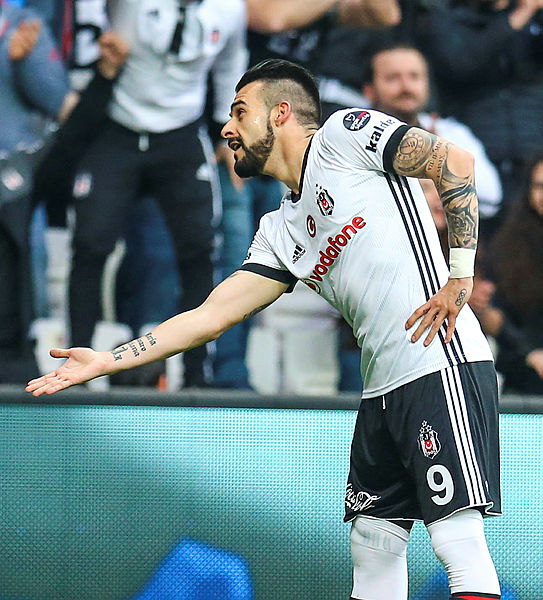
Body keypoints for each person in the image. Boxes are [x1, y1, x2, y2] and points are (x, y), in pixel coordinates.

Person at [27, 59, 502, 600]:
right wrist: (108, 360)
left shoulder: (346, 134)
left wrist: (460, 276)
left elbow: (454, 162)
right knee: (372, 550)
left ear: (281, 114)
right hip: (381, 390)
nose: (227, 128)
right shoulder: (280, 229)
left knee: (457, 542)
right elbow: (209, 317)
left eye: (239, 112)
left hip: (439, 362)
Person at [66, 0, 247, 388]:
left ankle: (197, 375)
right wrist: (97, 41)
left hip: (182, 131)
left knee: (199, 249)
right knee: (90, 244)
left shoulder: (230, 8)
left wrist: (227, 130)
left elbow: (231, 65)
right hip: (120, 124)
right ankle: (75, 367)